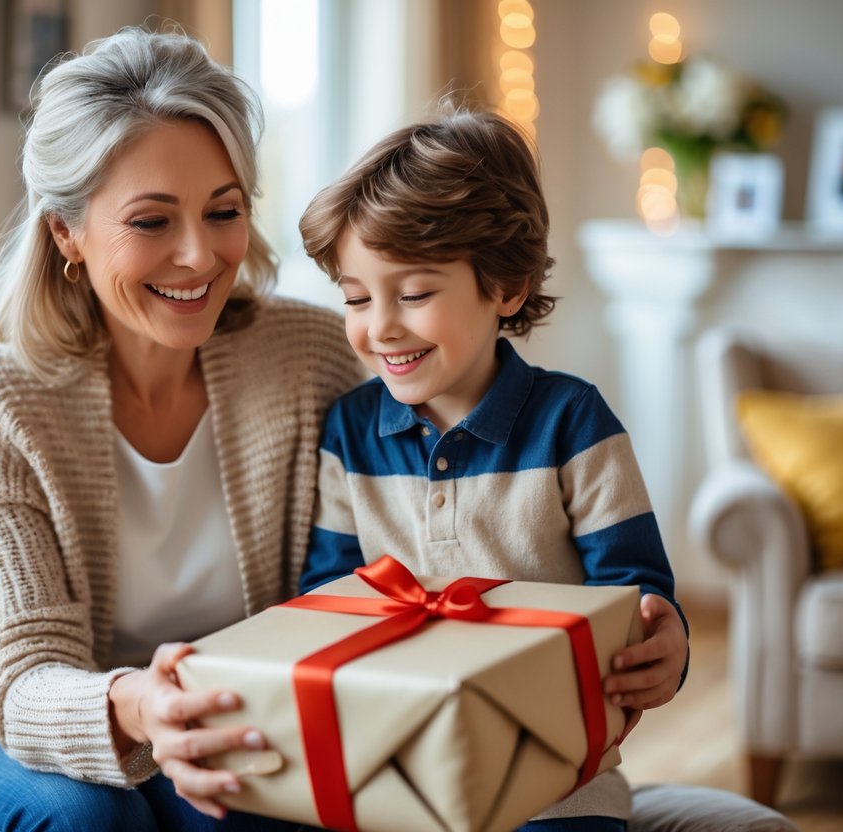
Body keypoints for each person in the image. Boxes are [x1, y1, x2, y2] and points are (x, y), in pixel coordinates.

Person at [0, 27, 363, 832]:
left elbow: (404, 549)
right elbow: (25, 679)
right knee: (88, 821)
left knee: (257, 813)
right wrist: (140, 702)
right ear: (66, 233)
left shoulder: (310, 361)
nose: (200, 255)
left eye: (224, 211)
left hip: (230, 719)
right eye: (150, 221)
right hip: (17, 735)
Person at [296, 110, 690, 832]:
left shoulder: (573, 423)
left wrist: (666, 646)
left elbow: (635, 601)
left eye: (412, 294)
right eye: (356, 298)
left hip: (555, 779)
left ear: (504, 288)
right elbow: (326, 599)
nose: (378, 325)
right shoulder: (348, 432)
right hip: (392, 772)